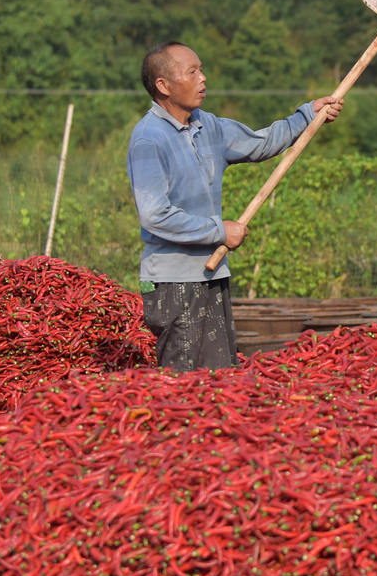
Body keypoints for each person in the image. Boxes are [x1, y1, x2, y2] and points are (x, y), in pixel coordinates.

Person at [127, 41, 341, 372]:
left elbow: (262, 142)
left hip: (213, 273)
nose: (203, 78)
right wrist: (218, 230)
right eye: (192, 71)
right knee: (182, 383)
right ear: (163, 85)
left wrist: (308, 115)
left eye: (201, 69)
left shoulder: (207, 125)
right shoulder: (149, 139)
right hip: (173, 282)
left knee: (220, 376)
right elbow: (155, 216)